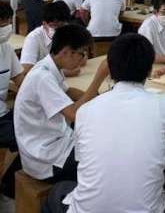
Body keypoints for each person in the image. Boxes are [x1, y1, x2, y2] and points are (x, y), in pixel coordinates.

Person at [42, 34, 165, 213]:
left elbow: (83, 159)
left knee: (59, 190)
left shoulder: (85, 111)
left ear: (110, 70)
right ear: (149, 70)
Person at [5, 25, 108, 198]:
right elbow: (73, 114)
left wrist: (100, 98)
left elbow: (68, 92)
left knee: (97, 139)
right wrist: (99, 77)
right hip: (44, 159)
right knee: (101, 159)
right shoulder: (42, 77)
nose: (83, 59)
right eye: (82, 54)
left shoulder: (49, 67)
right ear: (66, 52)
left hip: (52, 140)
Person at [20, 1, 77, 75]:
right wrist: (61, 72)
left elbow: (82, 57)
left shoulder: (69, 33)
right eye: (54, 26)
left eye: (62, 26)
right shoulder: (33, 38)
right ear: (44, 24)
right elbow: (26, 69)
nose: (59, 30)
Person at [0, 1, 25, 152]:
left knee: (41, 125)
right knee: (25, 138)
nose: (6, 28)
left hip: (4, 113)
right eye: (1, 24)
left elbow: (22, 81)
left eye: (7, 22)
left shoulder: (6, 49)